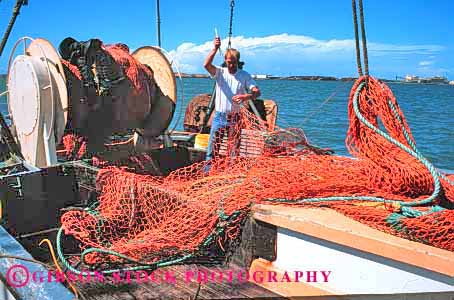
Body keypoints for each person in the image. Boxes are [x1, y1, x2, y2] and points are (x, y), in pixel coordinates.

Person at [203, 36, 261, 161]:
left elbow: (257, 92)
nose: (231, 65)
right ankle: (208, 173)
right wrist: (215, 48)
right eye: (229, 62)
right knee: (212, 150)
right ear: (225, 60)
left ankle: (230, 174)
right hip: (219, 117)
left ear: (238, 61)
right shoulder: (220, 72)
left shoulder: (244, 75)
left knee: (233, 151)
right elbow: (206, 65)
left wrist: (246, 96)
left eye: (234, 62)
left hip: (235, 118)